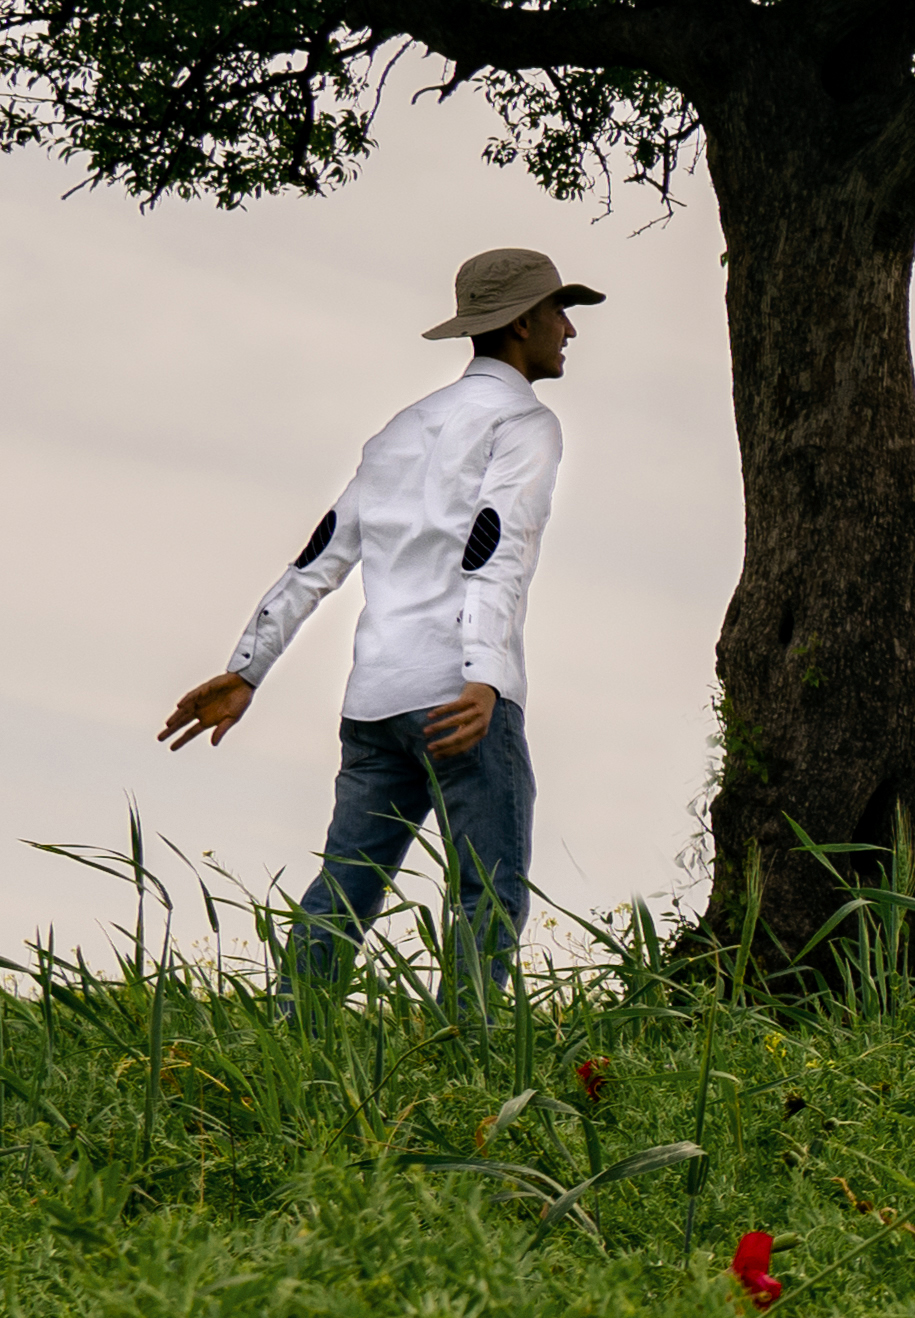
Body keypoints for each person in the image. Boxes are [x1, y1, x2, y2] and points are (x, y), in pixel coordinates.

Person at [163, 244, 594, 1002]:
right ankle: (470, 1056)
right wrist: (486, 675)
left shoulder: (401, 429)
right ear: (523, 322)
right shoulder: (526, 423)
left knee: (344, 892)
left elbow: (320, 557)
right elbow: (500, 545)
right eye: (560, 311)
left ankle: (290, 1039)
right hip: (461, 698)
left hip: (376, 701)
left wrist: (248, 667)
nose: (570, 328)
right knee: (487, 898)